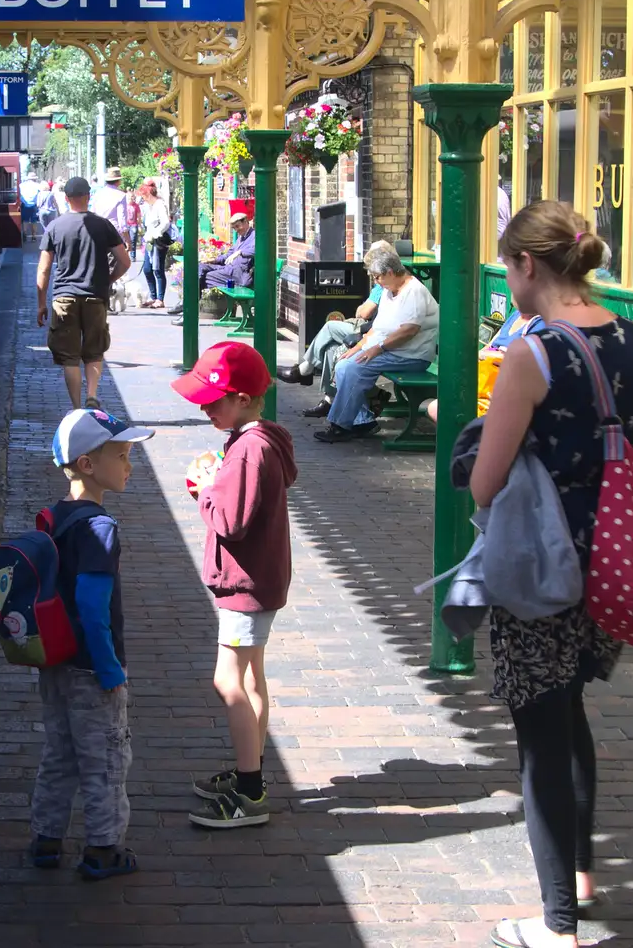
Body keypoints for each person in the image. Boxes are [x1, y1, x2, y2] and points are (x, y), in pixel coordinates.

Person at [467, 200, 633, 948]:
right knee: (571, 715)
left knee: (539, 735)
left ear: (529, 265)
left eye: (508, 264)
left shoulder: (532, 356)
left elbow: (484, 482)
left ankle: (556, 922)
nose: (509, 277)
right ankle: (584, 877)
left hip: (541, 571)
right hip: (614, 567)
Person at [172, 342, 298, 829]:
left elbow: (230, 521)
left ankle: (249, 791)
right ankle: (254, 772)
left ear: (243, 398)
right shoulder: (263, 440)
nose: (205, 408)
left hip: (244, 582)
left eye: (214, 400)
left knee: (228, 681)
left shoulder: (247, 450)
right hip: (260, 578)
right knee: (252, 678)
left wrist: (204, 489)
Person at [28, 407, 156, 880]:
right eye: (121, 456)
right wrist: (110, 671)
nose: (129, 466)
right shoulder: (100, 529)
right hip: (89, 668)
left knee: (59, 752)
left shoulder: (54, 517)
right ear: (87, 464)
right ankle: (103, 848)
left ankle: (46, 839)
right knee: (104, 759)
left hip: (55, 661)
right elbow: (92, 605)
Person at [314, 247, 439, 443]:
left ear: (390, 272)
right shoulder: (389, 290)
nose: (375, 281)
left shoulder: (414, 292)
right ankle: (363, 421)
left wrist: (376, 349)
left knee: (354, 368)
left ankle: (340, 425)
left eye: (377, 276)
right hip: (393, 350)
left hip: (411, 355)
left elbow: (409, 330)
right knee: (343, 363)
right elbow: (377, 329)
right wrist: (356, 348)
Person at [38, 177, 131, 409]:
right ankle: (91, 395)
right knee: (94, 350)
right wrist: (108, 279)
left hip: (64, 297)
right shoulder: (103, 225)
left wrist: (41, 303)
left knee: (69, 357)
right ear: (88, 197)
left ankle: (77, 408)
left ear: (67, 199)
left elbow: (44, 269)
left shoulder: (54, 227)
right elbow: (124, 261)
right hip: (95, 297)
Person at [276, 241, 394, 418]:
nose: (371, 271)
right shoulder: (384, 281)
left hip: (372, 332)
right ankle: (329, 400)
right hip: (371, 329)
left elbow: (365, 312)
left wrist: (362, 309)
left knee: (330, 327)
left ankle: (304, 370)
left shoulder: (384, 284)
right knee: (331, 349)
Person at [199, 211, 256, 290]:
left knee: (207, 276)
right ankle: (196, 297)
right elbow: (229, 254)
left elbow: (256, 251)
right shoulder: (240, 238)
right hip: (228, 269)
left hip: (239, 275)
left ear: (246, 222)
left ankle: (195, 299)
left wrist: (240, 252)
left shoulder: (255, 236)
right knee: (201, 267)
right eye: (234, 228)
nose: (236, 230)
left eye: (237, 226)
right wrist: (213, 260)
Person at [139, 180, 172, 309]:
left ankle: (160, 299)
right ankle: (153, 297)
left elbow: (165, 222)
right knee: (147, 269)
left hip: (157, 241)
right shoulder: (149, 206)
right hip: (149, 242)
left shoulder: (159, 204)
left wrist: (156, 233)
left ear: (148, 194)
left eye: (143, 196)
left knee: (158, 269)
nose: (143, 199)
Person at [91, 166, 131, 239]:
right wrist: (127, 240)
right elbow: (122, 220)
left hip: (99, 231)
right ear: (118, 181)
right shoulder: (121, 195)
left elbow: (93, 213)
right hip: (114, 233)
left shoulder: (98, 194)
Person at [19, 173, 43, 242]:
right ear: (35, 178)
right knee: (34, 221)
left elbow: (19, 195)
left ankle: (25, 234)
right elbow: (40, 195)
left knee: (25, 221)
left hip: (24, 205)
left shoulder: (22, 185)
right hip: (34, 205)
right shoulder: (38, 186)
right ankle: (34, 236)